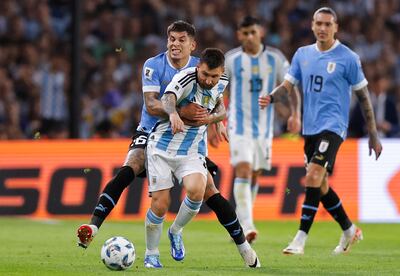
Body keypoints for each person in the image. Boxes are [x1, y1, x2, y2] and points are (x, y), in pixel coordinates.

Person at [76, 21, 259, 268]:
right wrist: (180, 113)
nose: (175, 43)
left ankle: (242, 247)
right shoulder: (153, 65)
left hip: (189, 137)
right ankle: (93, 226)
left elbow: (215, 100)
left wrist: (216, 123)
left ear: (192, 45)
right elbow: (152, 105)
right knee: (132, 165)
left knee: (208, 190)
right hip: (152, 130)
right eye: (171, 38)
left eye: (181, 39)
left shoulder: (203, 67)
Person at [259, 7, 383, 255]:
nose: (323, 28)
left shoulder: (348, 58)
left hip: (334, 127)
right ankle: (349, 230)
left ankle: (300, 239)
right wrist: (271, 98)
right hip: (310, 129)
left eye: (328, 24)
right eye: (319, 23)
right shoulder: (302, 55)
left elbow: (364, 97)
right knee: (321, 185)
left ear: (336, 27)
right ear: (312, 25)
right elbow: (288, 85)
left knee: (313, 176)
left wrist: (373, 133)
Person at [144, 48, 260, 268]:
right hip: (161, 146)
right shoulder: (185, 77)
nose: (208, 80)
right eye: (205, 74)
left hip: (192, 148)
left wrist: (215, 121)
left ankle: (175, 231)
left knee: (198, 189)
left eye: (214, 76)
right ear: (199, 67)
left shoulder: (222, 80)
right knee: (160, 205)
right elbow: (168, 98)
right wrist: (174, 114)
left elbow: (219, 106)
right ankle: (151, 254)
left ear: (221, 73)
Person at [225, 16, 299, 243]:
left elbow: (290, 85)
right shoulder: (231, 59)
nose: (249, 37)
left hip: (264, 130)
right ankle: (247, 225)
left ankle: (240, 222)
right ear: (239, 35)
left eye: (253, 32)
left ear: (261, 32)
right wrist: (217, 121)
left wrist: (296, 114)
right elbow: (219, 91)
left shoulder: (275, 58)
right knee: (244, 170)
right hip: (238, 126)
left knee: (255, 175)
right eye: (245, 33)